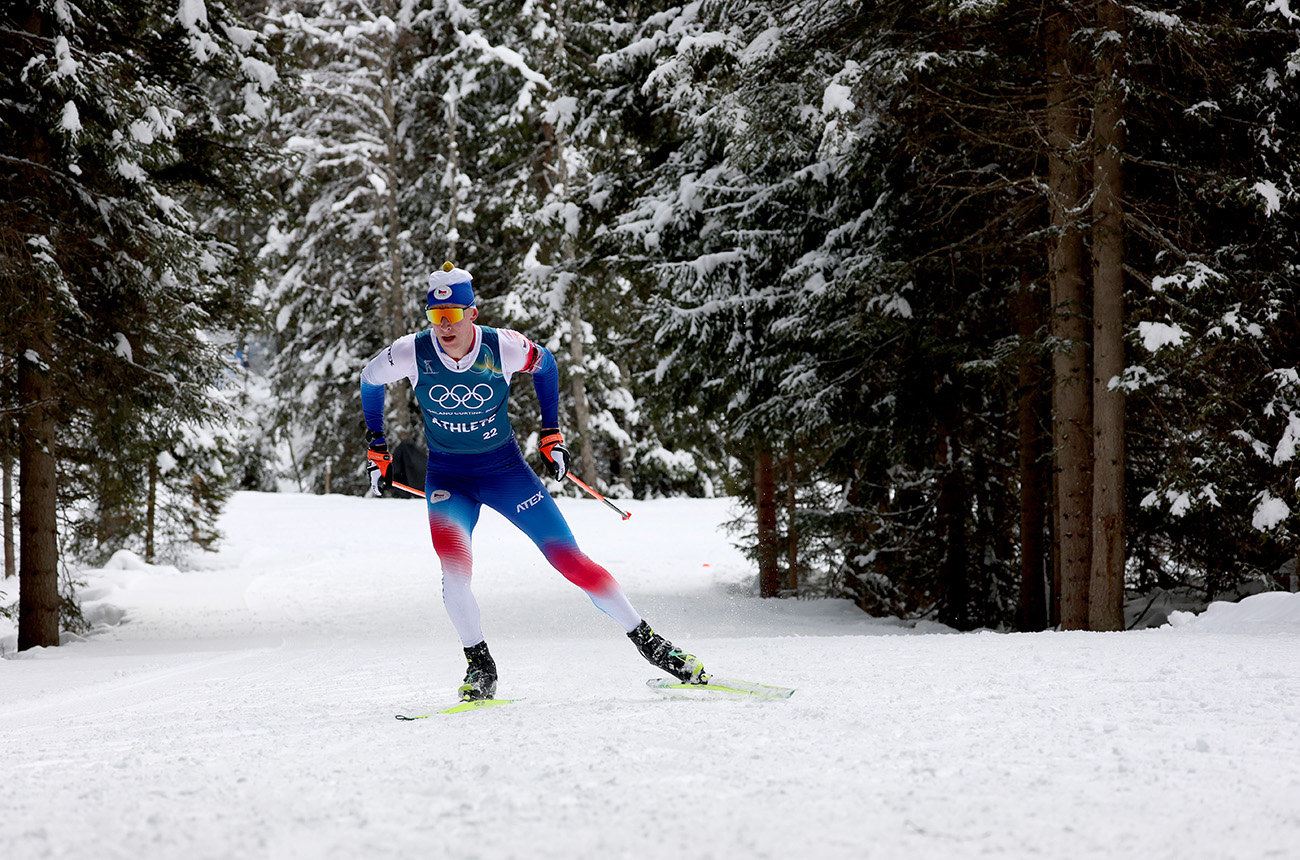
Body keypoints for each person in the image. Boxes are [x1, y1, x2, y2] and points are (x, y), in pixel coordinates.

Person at [359, 262, 706, 701]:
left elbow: (547, 365)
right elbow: (370, 380)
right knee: (454, 572)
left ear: (472, 313)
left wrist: (551, 433)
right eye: (434, 317)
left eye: (452, 316)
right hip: (449, 477)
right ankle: (480, 665)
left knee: (569, 559)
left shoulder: (502, 346)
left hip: (505, 472)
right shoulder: (411, 352)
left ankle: (652, 644)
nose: (443, 327)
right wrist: (377, 446)